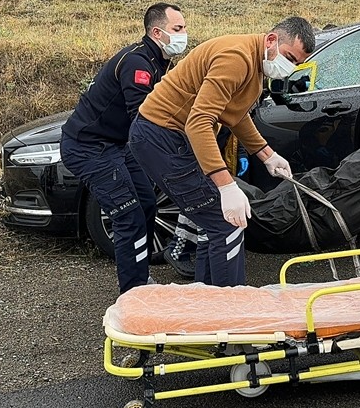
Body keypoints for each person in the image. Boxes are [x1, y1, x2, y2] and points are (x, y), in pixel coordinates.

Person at [128, 17, 317, 287]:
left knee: (214, 224)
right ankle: (230, 304)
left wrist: (267, 154)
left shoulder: (253, 63)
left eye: (297, 64)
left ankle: (210, 299)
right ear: (271, 40)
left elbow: (234, 114)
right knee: (227, 223)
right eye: (289, 58)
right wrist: (226, 186)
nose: (290, 67)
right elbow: (199, 122)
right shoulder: (236, 58)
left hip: (171, 137)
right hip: (161, 137)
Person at [59, 3, 188, 293]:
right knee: (128, 215)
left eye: (184, 28)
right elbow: (142, 119)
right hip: (88, 147)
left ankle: (140, 277)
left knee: (147, 203)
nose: (184, 34)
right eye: (178, 28)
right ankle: (133, 291)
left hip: (117, 145)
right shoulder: (137, 63)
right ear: (157, 32)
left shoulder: (160, 61)